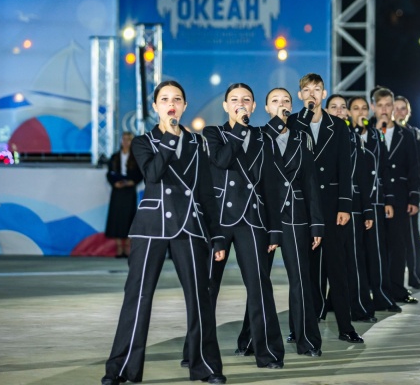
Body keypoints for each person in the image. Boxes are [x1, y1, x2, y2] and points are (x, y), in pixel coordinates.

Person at [101, 80, 227, 385]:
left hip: (190, 226)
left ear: (184, 106)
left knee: (200, 298)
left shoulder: (198, 143)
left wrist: (217, 235)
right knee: (137, 297)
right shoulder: (144, 142)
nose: (172, 104)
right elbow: (153, 173)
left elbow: (206, 192)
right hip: (151, 226)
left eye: (177, 99)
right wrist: (170, 138)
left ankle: (206, 367)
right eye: (165, 99)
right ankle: (121, 369)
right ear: (156, 106)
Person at [201, 83, 285, 369]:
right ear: (226, 105)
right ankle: (197, 351)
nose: (241, 103)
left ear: (254, 106)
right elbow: (221, 160)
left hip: (253, 219)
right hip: (219, 221)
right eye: (234, 100)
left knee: (260, 286)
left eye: (246, 100)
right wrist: (238, 129)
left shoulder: (263, 138)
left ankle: (268, 353)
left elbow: (271, 185)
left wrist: (274, 229)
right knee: (207, 287)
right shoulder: (213, 133)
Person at [236, 87, 325, 357]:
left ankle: (307, 340)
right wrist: (277, 125)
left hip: (296, 216)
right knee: (259, 282)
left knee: (300, 280)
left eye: (286, 100)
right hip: (264, 217)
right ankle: (250, 340)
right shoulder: (257, 136)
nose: (281, 104)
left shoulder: (301, 139)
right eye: (275, 101)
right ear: (266, 108)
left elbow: (311, 183)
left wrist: (316, 224)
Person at [287, 73, 363, 344]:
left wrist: (345, 205)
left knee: (337, 269)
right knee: (303, 272)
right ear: (300, 95)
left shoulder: (338, 125)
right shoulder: (293, 122)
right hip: (302, 206)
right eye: (307, 90)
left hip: (331, 206)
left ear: (324, 93)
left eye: (317, 89)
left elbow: (345, 167)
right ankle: (299, 328)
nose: (312, 94)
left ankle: (345, 326)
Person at [348, 96, 401, 315]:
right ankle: (358, 300)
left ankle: (382, 296)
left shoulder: (376, 135)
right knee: (356, 253)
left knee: (377, 251)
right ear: (349, 113)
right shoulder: (345, 135)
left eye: (363, 108)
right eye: (355, 108)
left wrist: (389, 199)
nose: (360, 112)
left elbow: (384, 168)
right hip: (353, 201)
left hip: (375, 199)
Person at [327, 94, 376, 322]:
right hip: (322, 208)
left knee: (354, 260)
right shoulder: (317, 135)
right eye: (333, 107)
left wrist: (367, 209)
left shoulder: (353, 138)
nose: (339, 110)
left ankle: (359, 307)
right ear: (326, 111)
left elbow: (362, 177)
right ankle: (320, 309)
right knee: (322, 264)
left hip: (351, 208)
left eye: (342, 107)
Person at [371, 87, 420, 305]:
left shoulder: (405, 135)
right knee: (375, 245)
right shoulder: (366, 132)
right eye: (380, 105)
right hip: (374, 197)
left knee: (398, 244)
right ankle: (375, 289)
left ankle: (397, 289)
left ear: (393, 107)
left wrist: (414, 197)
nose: (384, 109)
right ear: (373, 107)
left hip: (400, 196)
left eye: (388, 105)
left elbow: (414, 168)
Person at [393, 96, 420, 290]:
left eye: (403, 109)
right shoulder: (382, 130)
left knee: (411, 237)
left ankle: (416, 277)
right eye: (397, 108)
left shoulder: (414, 133)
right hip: (387, 191)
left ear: (408, 112)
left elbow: (419, 165)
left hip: (409, 191)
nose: (400, 112)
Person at [104, 131, 143, 258]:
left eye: (128, 139)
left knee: (128, 218)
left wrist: (133, 182)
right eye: (124, 139)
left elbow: (140, 173)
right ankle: (119, 248)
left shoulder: (136, 157)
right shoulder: (115, 157)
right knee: (116, 218)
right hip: (118, 190)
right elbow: (109, 173)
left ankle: (127, 247)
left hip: (129, 191)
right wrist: (115, 183)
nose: (126, 142)